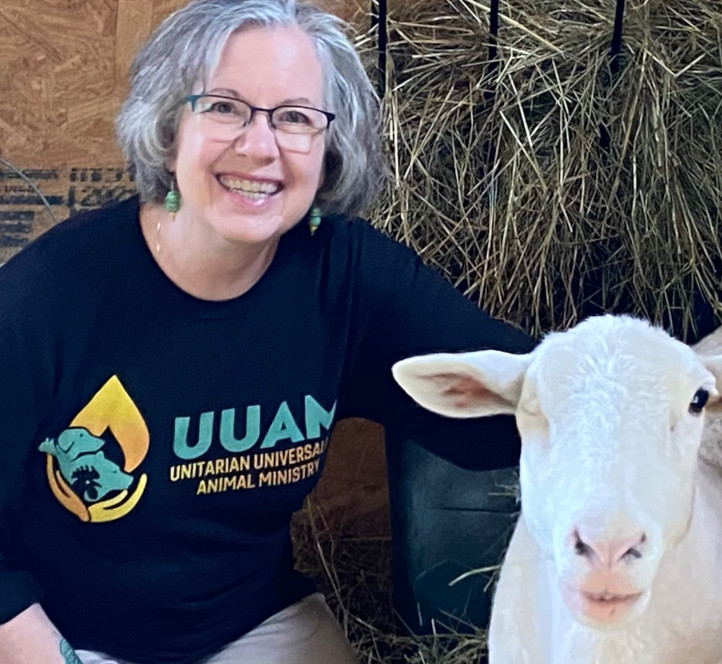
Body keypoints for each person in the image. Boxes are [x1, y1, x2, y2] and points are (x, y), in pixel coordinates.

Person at [0, 1, 534, 663]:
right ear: (169, 132)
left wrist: (676, 392)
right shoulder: (45, 297)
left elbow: (511, 402)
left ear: (328, 147)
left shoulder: (347, 276)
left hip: (248, 626)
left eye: (294, 118)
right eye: (223, 107)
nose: (259, 146)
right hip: (62, 634)